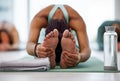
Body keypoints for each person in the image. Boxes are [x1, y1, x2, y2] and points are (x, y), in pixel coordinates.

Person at [26, 4, 91, 69]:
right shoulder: (76, 19)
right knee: (43, 48)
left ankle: (48, 58)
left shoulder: (39, 18)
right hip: (54, 45)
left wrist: (79, 57)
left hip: (54, 45)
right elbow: (86, 50)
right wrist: (37, 49)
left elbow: (29, 45)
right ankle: (65, 57)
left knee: (44, 49)